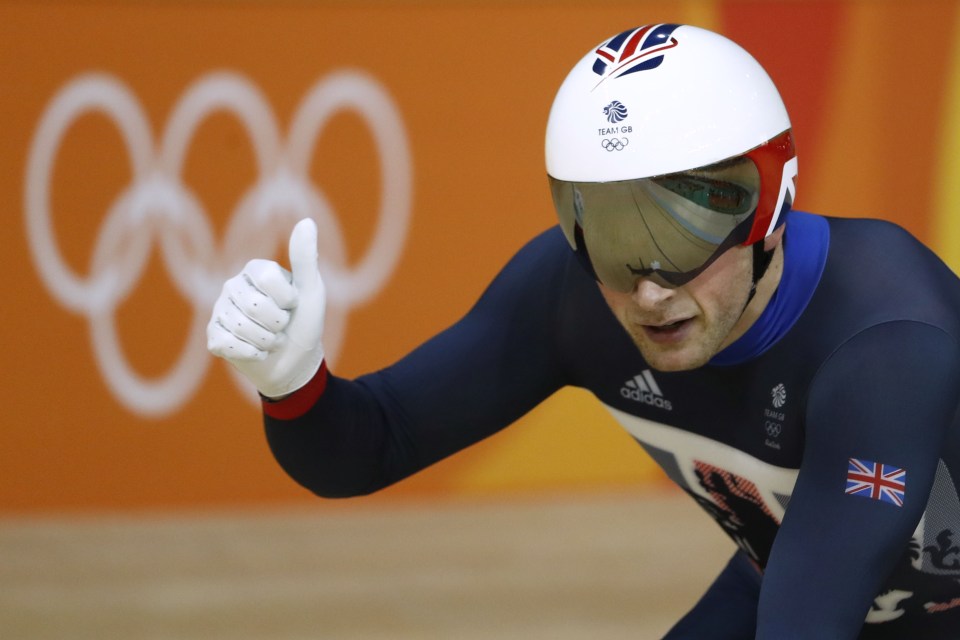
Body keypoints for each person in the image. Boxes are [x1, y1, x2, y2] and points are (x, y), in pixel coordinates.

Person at [206, 23, 960, 639]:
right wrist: (292, 383)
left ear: (769, 212)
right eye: (603, 231)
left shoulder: (887, 342)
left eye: (684, 235)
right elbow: (366, 450)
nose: (650, 290)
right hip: (803, 576)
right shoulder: (570, 298)